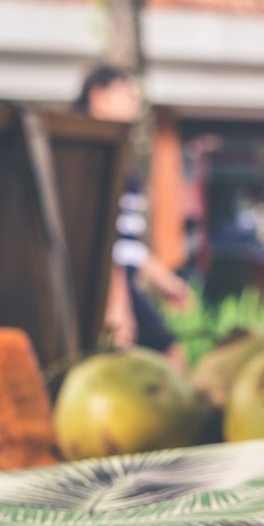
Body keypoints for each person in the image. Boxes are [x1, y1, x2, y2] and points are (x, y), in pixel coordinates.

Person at [72, 65, 191, 358]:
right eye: (125, 93)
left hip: (119, 284)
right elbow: (102, 239)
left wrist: (163, 278)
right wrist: (116, 302)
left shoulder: (116, 153)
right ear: (98, 96)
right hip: (98, 287)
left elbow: (125, 242)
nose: (134, 102)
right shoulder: (85, 154)